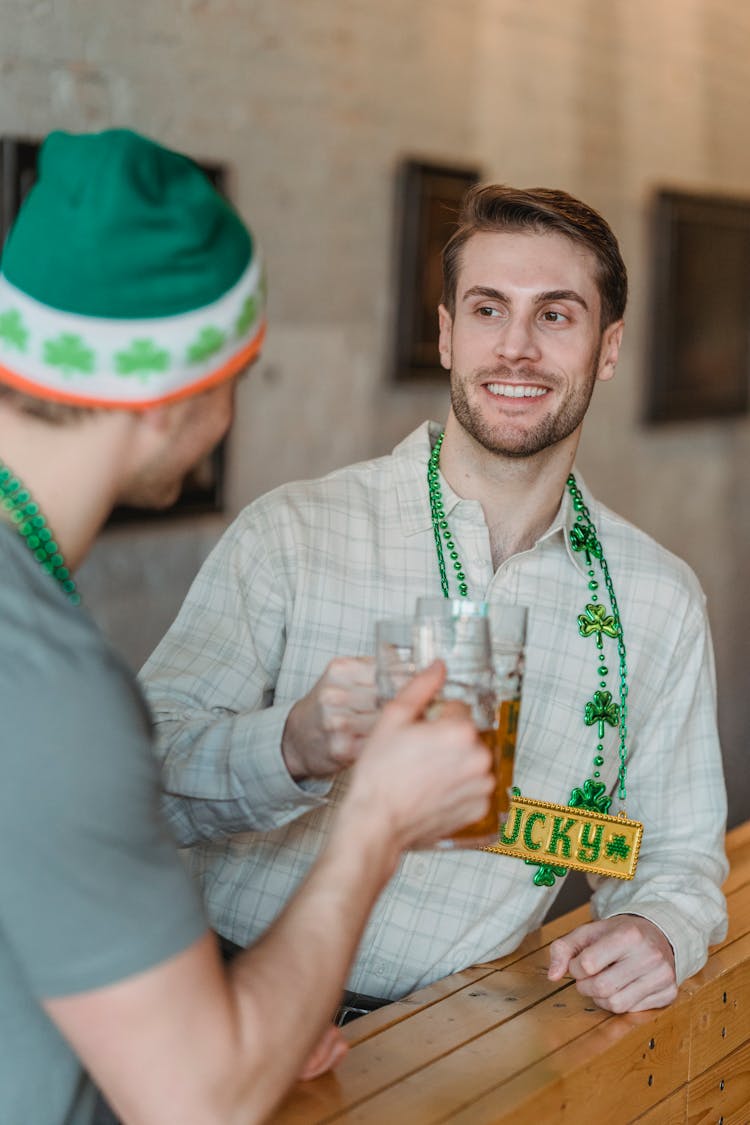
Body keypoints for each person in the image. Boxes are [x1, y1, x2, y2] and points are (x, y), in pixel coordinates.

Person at [0, 128, 495, 1125]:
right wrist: (374, 823)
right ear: (181, 396)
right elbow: (201, 1103)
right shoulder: (49, 680)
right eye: (238, 373)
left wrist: (241, 1013)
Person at [142, 181, 729, 1018]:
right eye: (488, 310)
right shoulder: (294, 533)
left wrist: (659, 926)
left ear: (609, 346)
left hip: (448, 1046)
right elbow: (136, 783)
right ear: (448, 335)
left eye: (557, 315)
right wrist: (294, 745)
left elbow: (678, 853)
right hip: (214, 996)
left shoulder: (658, 599)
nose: (517, 348)